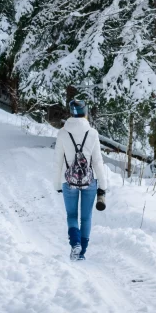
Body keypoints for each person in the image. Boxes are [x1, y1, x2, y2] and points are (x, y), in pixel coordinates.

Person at [53, 99, 107, 261]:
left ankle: (75, 243)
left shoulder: (63, 133)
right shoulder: (92, 133)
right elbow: (97, 161)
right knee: (86, 217)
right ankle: (81, 253)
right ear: (85, 112)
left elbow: (58, 161)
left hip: (68, 180)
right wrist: (102, 186)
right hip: (89, 181)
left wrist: (57, 184)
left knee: (71, 215)